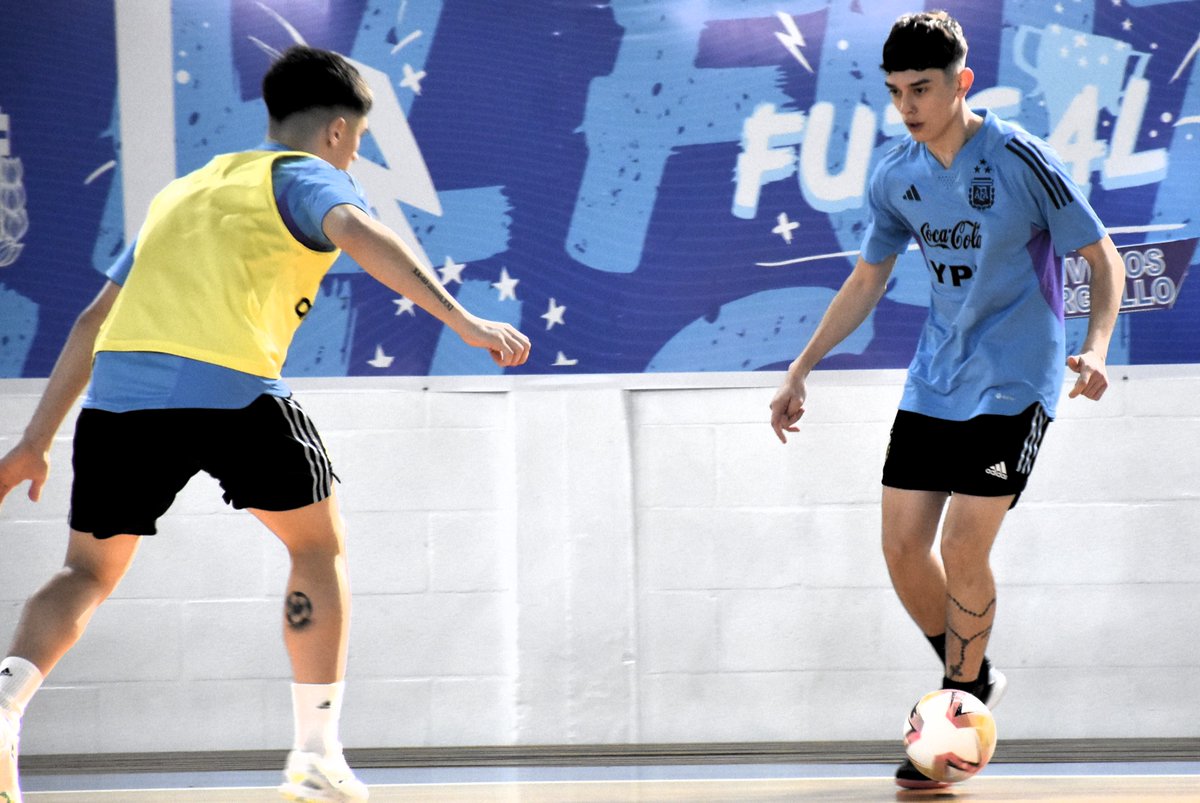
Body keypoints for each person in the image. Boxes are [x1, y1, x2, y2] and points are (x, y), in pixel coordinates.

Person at [0, 45, 530, 803]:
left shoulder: (182, 191)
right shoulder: (308, 174)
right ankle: (315, 755)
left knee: (86, 571)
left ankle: (3, 704)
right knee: (317, 547)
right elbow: (358, 231)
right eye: (357, 141)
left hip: (119, 402)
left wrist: (34, 439)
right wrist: (463, 318)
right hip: (231, 390)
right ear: (341, 131)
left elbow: (92, 319)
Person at [768, 11, 1123, 790]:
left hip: (1017, 379)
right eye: (895, 91)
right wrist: (801, 367)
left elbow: (1103, 258)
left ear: (961, 82)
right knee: (901, 550)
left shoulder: (1021, 158)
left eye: (922, 88)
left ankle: (958, 707)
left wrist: (1095, 346)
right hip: (938, 376)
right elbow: (868, 277)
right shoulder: (896, 173)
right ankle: (973, 678)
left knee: (964, 545)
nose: (908, 106)